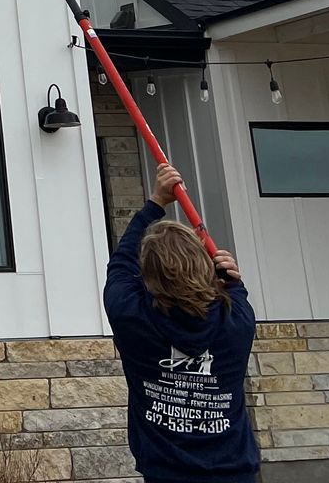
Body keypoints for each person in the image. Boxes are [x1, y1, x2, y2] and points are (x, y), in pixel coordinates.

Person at [104, 162, 260, 483]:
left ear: (147, 278)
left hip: (165, 473)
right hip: (235, 473)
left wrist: (156, 203)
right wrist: (228, 277)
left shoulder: (131, 316)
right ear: (207, 268)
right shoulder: (238, 321)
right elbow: (233, 287)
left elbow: (120, 265)